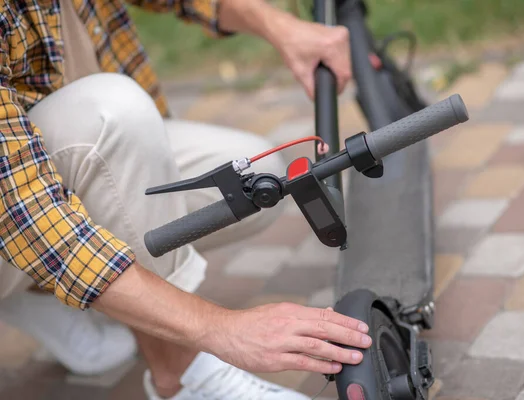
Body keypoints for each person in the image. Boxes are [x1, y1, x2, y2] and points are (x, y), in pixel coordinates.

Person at [0, 0, 373, 399]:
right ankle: (183, 376)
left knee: (252, 183)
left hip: (39, 164)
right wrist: (221, 329)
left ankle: (43, 291)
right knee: (114, 116)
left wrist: (281, 27)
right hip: (16, 205)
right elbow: (26, 213)